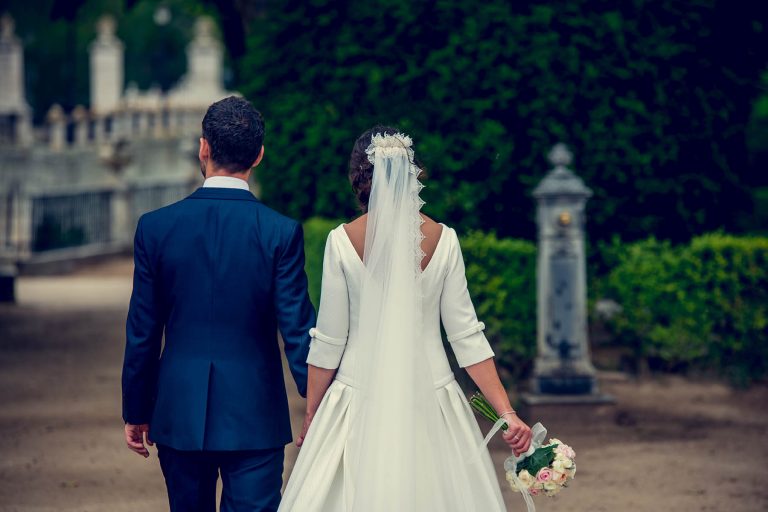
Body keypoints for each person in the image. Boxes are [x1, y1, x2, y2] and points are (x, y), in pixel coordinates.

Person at [279, 127, 532, 511]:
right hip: (433, 396)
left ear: (359, 177)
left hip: (355, 393)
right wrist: (507, 413)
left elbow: (329, 340)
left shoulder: (341, 240)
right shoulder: (444, 239)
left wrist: (314, 413)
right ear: (414, 174)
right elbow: (467, 336)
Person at [121, 96, 315, 512]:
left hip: (179, 410)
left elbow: (142, 331)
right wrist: (319, 405)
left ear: (203, 147)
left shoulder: (155, 229)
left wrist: (136, 409)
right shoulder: (280, 233)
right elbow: (298, 332)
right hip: (256, 415)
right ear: (259, 156)